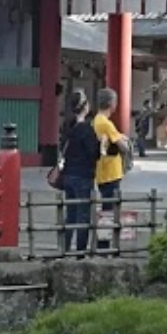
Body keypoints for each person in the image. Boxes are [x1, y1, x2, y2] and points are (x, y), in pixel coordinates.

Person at [57, 92, 99, 255]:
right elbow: (93, 153)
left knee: (71, 213)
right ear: (84, 107)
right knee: (83, 215)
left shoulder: (68, 127)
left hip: (68, 174)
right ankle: (80, 251)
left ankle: (65, 248)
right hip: (83, 175)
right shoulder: (86, 129)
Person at [91, 87, 128, 252]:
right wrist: (122, 139)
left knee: (107, 208)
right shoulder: (106, 124)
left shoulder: (96, 120)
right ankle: (104, 245)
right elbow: (123, 147)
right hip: (111, 172)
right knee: (108, 211)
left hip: (101, 170)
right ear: (111, 104)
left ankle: (104, 243)